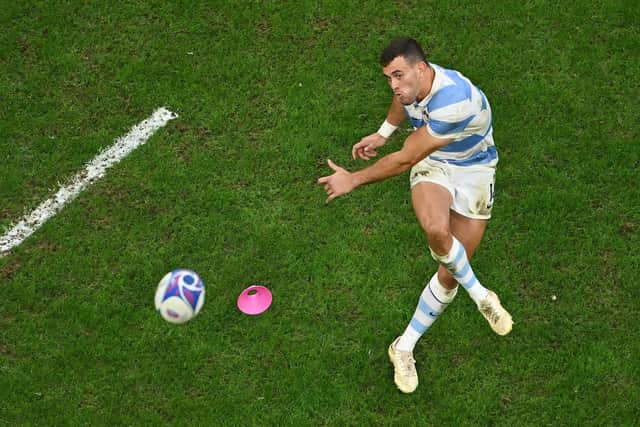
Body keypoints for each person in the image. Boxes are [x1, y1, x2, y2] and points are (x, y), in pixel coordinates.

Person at [316, 37, 513, 394]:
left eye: (398, 76)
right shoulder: (413, 85)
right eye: (389, 77)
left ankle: (402, 345)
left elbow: (406, 158)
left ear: (421, 69)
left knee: (450, 273)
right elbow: (401, 104)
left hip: (475, 171)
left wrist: (353, 179)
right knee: (437, 230)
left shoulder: (455, 101)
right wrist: (382, 133)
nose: (393, 85)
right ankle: (482, 296)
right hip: (435, 163)